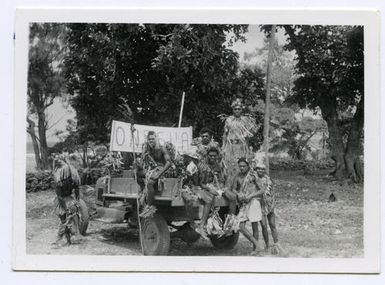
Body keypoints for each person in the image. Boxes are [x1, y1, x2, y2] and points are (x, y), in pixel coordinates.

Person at [233, 157, 268, 254]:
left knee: (254, 226)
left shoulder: (253, 175)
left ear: (248, 166)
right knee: (240, 225)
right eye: (240, 166)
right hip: (244, 203)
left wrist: (251, 195)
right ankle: (258, 245)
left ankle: (255, 249)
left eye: (244, 166)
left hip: (254, 202)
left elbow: (262, 190)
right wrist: (238, 194)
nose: (242, 168)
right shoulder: (238, 176)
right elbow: (234, 189)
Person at [222, 98, 258, 187]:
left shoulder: (245, 120)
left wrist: (247, 136)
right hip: (230, 146)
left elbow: (252, 131)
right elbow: (225, 134)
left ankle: (242, 185)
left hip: (241, 146)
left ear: (241, 110)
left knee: (241, 164)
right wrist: (223, 147)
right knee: (229, 165)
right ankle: (229, 185)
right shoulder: (229, 120)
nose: (237, 110)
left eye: (239, 109)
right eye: (235, 109)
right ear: (232, 110)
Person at [52, 154, 82, 246]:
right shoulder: (57, 170)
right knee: (64, 220)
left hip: (67, 199)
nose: (57, 161)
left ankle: (62, 238)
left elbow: (77, 186)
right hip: (61, 199)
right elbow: (57, 186)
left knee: (67, 220)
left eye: (58, 160)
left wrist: (77, 200)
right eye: (56, 160)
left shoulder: (70, 170)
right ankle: (67, 239)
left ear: (63, 160)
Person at [253, 155, 281, 255]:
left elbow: (271, 193)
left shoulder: (268, 180)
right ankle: (267, 245)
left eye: (262, 169)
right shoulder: (254, 179)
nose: (260, 171)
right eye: (258, 169)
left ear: (264, 170)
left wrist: (272, 204)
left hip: (269, 205)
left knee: (272, 225)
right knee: (264, 226)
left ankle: (277, 244)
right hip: (260, 206)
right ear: (256, 169)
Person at [195, 146, 225, 239]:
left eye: (214, 156)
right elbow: (201, 183)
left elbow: (220, 179)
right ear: (207, 155)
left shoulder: (218, 166)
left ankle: (217, 226)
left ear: (217, 156)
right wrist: (210, 189)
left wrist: (219, 188)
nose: (212, 158)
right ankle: (201, 225)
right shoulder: (203, 166)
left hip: (212, 187)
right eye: (211, 156)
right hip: (200, 188)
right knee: (208, 200)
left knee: (219, 199)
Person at [141, 131, 172, 214]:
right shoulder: (147, 149)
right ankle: (144, 194)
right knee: (136, 173)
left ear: (156, 139)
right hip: (150, 170)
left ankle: (149, 207)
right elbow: (142, 163)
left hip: (161, 170)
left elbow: (169, 162)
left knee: (150, 183)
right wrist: (143, 153)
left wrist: (159, 174)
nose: (151, 141)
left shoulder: (161, 148)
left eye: (153, 139)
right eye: (149, 139)